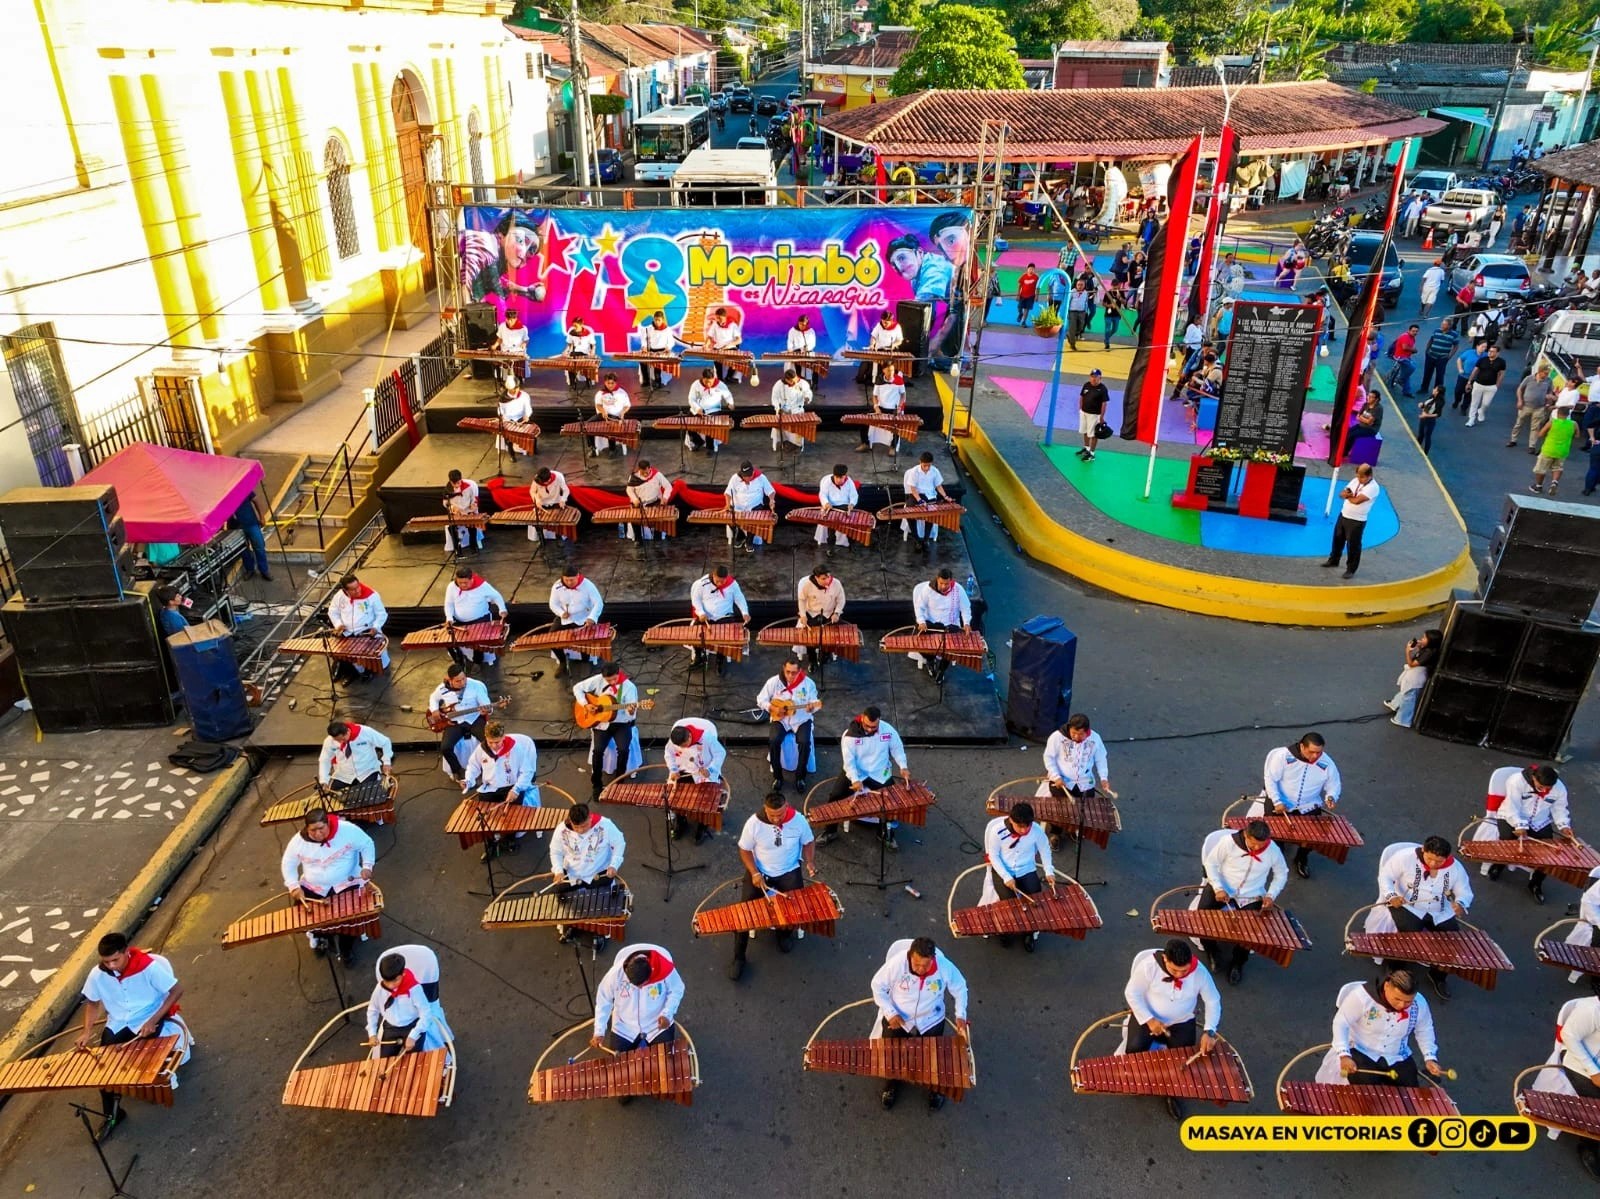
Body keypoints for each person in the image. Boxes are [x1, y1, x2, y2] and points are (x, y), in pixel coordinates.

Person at [76, 932, 188, 1141]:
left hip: (148, 1017)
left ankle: (148, 1086)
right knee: (103, 1067)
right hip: (118, 1022)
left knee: (143, 1061)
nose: (110, 966)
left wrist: (154, 1019)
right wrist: (86, 1032)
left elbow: (176, 990)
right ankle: (114, 1114)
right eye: (106, 961)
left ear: (126, 952)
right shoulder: (97, 974)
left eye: (115, 960)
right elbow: (92, 1003)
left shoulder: (149, 967)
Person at [869, 936, 969, 1111]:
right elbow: (877, 986)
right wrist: (890, 1012)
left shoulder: (944, 966)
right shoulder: (897, 964)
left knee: (933, 1056)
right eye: (917, 964)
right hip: (899, 1017)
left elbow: (960, 987)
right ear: (910, 956)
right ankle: (892, 1083)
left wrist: (960, 1014)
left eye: (926, 965)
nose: (921, 969)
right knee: (893, 1053)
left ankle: (935, 1089)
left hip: (931, 1018)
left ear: (933, 958)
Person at [1123, 940, 1221, 1120]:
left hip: (1181, 1021)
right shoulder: (1149, 966)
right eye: (1175, 970)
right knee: (1134, 1050)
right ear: (1165, 959)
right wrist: (1149, 1019)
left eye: (1184, 971)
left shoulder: (1199, 972)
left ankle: (1172, 1093)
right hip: (1148, 1018)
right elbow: (1132, 993)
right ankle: (1138, 1079)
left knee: (1182, 1061)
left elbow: (1213, 1000)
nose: (1180, 975)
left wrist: (1210, 1031)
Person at [729, 791, 819, 979]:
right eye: (772, 815)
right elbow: (744, 850)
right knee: (744, 914)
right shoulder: (754, 824)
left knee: (792, 908)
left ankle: (783, 934)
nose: (776, 819)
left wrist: (809, 861)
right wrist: (754, 872)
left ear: (786, 806)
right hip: (760, 873)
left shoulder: (799, 821)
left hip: (789, 871)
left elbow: (809, 842)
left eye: (780, 814)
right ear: (765, 809)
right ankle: (739, 957)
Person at [1378, 835, 1471, 999]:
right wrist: (1391, 895)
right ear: (1423, 850)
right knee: (1407, 936)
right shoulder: (1405, 857)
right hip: (1407, 905)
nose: (1433, 864)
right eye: (1430, 859)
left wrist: (1461, 903)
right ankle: (1395, 971)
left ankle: (1438, 975)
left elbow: (1464, 891)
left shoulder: (1456, 868)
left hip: (1439, 910)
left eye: (1439, 861)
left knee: (1453, 940)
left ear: (1447, 857)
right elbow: (1385, 876)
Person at [280, 807, 375, 963]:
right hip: (314, 887)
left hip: (347, 882)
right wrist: (293, 886)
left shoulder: (348, 830)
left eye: (321, 829)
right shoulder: (298, 842)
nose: (317, 834)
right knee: (305, 913)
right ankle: (321, 936)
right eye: (313, 830)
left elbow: (366, 844)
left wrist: (367, 866)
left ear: (328, 823)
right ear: (307, 828)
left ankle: (346, 948)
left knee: (350, 918)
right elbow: (288, 863)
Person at [1199, 819, 1288, 985]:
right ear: (1246, 835)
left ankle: (1238, 962)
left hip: (1252, 894)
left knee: (1251, 932)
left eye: (1261, 846)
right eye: (1253, 844)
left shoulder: (1273, 850)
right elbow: (1210, 863)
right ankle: (1211, 949)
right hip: (1223, 887)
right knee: (1202, 916)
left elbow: (1281, 874)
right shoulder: (1228, 843)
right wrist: (1218, 887)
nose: (1257, 849)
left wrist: (1271, 895)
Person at [591, 945, 685, 1089]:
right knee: (618, 1074)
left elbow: (677, 989)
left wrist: (667, 1013)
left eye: (643, 985)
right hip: (624, 1026)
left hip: (656, 1025)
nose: (640, 988)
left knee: (665, 1065)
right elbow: (604, 1000)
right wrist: (599, 1031)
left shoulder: (664, 969)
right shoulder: (615, 975)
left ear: (650, 973)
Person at [1331, 968, 1442, 1088]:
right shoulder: (1362, 997)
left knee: (1411, 1092)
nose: (1401, 1006)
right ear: (1386, 986)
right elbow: (1341, 1023)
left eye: (1408, 1002)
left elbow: (1425, 1030)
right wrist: (1344, 1055)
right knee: (1367, 1092)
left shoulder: (1419, 1003)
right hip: (1361, 1050)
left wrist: (1430, 1057)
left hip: (1396, 1055)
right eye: (1398, 999)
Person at [819, 707, 909, 850]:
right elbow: (849, 762)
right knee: (835, 797)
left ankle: (884, 833)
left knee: (892, 801)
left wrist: (903, 766)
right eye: (867, 725)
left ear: (879, 720)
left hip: (879, 773)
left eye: (874, 726)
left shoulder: (888, 730)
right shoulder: (849, 736)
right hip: (857, 772)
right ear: (862, 718)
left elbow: (897, 749)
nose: (870, 729)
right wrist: (855, 779)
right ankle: (830, 832)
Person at [1260, 732, 1342, 879]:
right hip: (1281, 803)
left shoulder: (1327, 763)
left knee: (1311, 837)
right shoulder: (1283, 757)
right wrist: (1277, 801)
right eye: (1312, 752)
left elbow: (1334, 784)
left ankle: (1301, 858)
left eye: (1319, 752)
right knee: (1275, 834)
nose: (1316, 757)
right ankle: (1276, 855)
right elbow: (1270, 779)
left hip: (1308, 805)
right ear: (1302, 747)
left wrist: (1331, 797)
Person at [1490, 764, 1573, 904]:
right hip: (1511, 817)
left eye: (1549, 789)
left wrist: (1564, 825)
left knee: (1548, 854)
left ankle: (1536, 883)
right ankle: (1499, 865)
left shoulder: (1560, 788)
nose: (1545, 791)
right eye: (1541, 787)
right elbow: (1512, 806)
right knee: (1508, 843)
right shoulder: (1516, 781)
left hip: (1539, 821)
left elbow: (1559, 809)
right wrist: (1519, 825)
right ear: (1534, 778)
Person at [980, 801, 1057, 950]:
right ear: (1011, 820)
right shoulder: (997, 831)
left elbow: (1045, 849)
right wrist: (1006, 876)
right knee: (1008, 904)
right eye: (1020, 826)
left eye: (1027, 826)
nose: (1024, 830)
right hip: (1004, 871)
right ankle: (1006, 932)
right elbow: (993, 856)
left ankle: (1029, 933)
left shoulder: (1036, 831)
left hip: (1026, 870)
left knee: (1035, 899)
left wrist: (1049, 871)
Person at [550, 804, 626, 950]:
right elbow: (555, 852)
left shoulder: (605, 825)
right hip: (573, 874)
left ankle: (599, 932)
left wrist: (614, 865)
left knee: (598, 905)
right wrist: (558, 871)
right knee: (567, 899)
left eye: (584, 826)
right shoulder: (561, 830)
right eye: (576, 827)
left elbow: (619, 843)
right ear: (570, 821)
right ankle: (574, 924)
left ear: (590, 817)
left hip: (598, 874)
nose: (581, 831)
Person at [366, 950, 453, 1061]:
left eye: (395, 981)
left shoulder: (414, 989)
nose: (390, 985)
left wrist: (413, 1035)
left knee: (413, 1061)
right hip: (391, 1028)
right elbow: (372, 1010)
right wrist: (372, 1033)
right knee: (384, 1061)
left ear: (403, 974)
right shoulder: (380, 988)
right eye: (387, 981)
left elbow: (426, 1013)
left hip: (412, 1025)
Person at [1042, 714, 1111, 851]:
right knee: (1059, 811)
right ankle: (1055, 833)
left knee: (1081, 811)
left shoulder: (1095, 739)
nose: (1076, 737)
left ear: (1087, 731)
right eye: (1073, 733)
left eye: (1080, 734)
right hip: (1062, 782)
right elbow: (1048, 758)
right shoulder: (1057, 737)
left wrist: (1104, 777)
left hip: (1085, 783)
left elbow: (1101, 759)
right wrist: (1056, 776)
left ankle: (1073, 830)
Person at [574, 662, 641, 800]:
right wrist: (586, 704)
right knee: (598, 751)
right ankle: (596, 784)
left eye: (614, 679)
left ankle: (618, 783)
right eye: (608, 680)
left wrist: (630, 710)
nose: (611, 682)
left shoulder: (629, 687)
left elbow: (632, 715)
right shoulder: (598, 679)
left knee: (623, 750)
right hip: (602, 723)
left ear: (619, 673)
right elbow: (577, 688)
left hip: (621, 723)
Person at [759, 659, 821, 793]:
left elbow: (814, 701)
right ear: (783, 668)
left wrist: (812, 708)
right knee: (774, 740)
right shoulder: (774, 682)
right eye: (788, 672)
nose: (790, 676)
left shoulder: (808, 684)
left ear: (799, 671)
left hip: (801, 719)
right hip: (781, 720)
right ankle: (778, 777)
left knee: (805, 742)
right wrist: (772, 708)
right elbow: (760, 699)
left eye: (794, 673)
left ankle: (800, 777)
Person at [664, 716, 725, 844]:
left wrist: (711, 769)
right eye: (680, 746)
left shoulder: (707, 738)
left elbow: (720, 753)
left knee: (705, 801)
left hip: (704, 773)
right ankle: (681, 821)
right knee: (676, 797)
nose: (683, 748)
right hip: (684, 771)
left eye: (684, 745)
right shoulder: (673, 741)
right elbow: (668, 753)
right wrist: (673, 769)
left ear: (689, 737)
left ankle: (702, 825)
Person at [429, 663, 493, 782]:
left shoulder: (476, 686)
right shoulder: (442, 688)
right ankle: (457, 770)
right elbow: (433, 698)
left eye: (464, 679)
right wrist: (434, 710)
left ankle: (487, 769)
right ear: (450, 680)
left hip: (474, 719)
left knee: (489, 743)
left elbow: (486, 704)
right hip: (454, 722)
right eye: (458, 681)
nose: (463, 683)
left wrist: (487, 710)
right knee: (445, 747)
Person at [909, 568, 972, 684]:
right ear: (937, 580)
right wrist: (922, 621)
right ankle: (930, 660)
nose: (943, 586)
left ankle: (942, 670)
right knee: (919, 642)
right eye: (941, 583)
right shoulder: (928, 589)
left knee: (951, 649)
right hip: (931, 624)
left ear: (951, 581)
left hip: (950, 624)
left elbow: (965, 608)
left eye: (946, 584)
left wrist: (967, 623)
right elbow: (919, 607)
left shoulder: (958, 589)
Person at [1323, 463, 1379, 580]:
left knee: (1353, 545)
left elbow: (1357, 501)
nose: (1359, 479)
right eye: (1358, 476)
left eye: (1362, 477)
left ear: (1369, 476)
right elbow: (1341, 493)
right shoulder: (1355, 481)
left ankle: (1351, 569)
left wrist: (1347, 496)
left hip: (1357, 520)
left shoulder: (1373, 487)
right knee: (1338, 538)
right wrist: (1347, 495)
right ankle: (1334, 559)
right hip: (1344, 514)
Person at [689, 564, 750, 673]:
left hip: (725, 616)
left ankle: (720, 659)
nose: (720, 584)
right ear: (713, 575)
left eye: (723, 581)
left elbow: (740, 598)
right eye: (718, 581)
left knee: (725, 636)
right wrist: (701, 613)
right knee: (695, 633)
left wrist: (745, 612)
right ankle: (699, 656)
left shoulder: (733, 584)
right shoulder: (701, 584)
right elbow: (696, 600)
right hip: (707, 617)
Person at [443, 565, 506, 667]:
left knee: (478, 643)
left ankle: (477, 661)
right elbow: (449, 603)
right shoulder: (451, 587)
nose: (462, 585)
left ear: (471, 579)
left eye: (465, 583)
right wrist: (449, 617)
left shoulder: (483, 586)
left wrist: (502, 609)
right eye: (460, 583)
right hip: (459, 622)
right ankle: (459, 660)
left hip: (479, 620)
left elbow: (496, 596)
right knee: (449, 641)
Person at [548, 568, 603, 676]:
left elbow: (598, 603)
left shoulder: (588, 585)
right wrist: (561, 613)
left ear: (578, 576)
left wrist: (591, 618)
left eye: (572, 580)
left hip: (584, 617)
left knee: (584, 639)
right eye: (566, 580)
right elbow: (553, 604)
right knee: (551, 638)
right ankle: (562, 662)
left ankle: (585, 662)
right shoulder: (557, 586)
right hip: (565, 618)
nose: (569, 583)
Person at [318, 720, 394, 793]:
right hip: (344, 775)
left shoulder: (365, 732)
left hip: (367, 772)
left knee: (368, 795)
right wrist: (324, 780)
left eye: (342, 739)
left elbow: (385, 742)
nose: (340, 742)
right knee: (333, 796)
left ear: (347, 731)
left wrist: (387, 762)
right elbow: (325, 760)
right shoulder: (329, 741)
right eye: (337, 740)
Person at [1386, 629, 1440, 727]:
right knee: (1405, 691)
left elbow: (1412, 664)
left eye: (1424, 638)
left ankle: (1403, 720)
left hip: (1416, 677)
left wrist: (1407, 651)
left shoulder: (1428, 653)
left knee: (1409, 697)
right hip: (1414, 676)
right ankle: (1395, 704)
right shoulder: (1428, 650)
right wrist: (1420, 647)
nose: (1421, 639)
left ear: (1430, 641)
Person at [795, 564, 846, 665]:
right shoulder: (807, 585)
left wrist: (836, 613)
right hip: (812, 613)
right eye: (823, 579)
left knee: (830, 637)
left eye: (828, 577)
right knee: (809, 639)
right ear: (816, 578)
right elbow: (801, 600)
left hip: (829, 614)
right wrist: (803, 615)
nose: (827, 581)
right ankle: (812, 660)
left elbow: (841, 600)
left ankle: (825, 655)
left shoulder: (836, 583)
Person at [902, 452, 952, 551]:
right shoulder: (914, 472)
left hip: (930, 496)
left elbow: (939, 486)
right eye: (925, 465)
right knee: (909, 513)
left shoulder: (935, 471)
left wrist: (945, 496)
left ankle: (926, 539)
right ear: (920, 462)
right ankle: (916, 538)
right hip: (917, 495)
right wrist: (919, 500)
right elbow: (912, 488)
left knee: (931, 514)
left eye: (929, 465)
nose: (927, 468)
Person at [723, 461, 776, 552]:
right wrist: (728, 505)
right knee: (729, 517)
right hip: (738, 507)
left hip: (754, 507)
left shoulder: (761, 478)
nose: (747, 478)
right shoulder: (734, 478)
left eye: (749, 476)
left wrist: (771, 499)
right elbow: (728, 493)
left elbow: (771, 491)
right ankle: (740, 535)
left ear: (753, 472)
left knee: (754, 517)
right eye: (745, 476)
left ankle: (749, 540)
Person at [1532, 400, 1578, 495]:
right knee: (1558, 468)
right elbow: (1577, 436)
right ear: (1567, 414)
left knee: (1541, 469)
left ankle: (1538, 486)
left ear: (1557, 413)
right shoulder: (1573, 424)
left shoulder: (1552, 422)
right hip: (1563, 451)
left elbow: (1540, 434)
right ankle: (1554, 483)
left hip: (1548, 449)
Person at [624, 459, 674, 543]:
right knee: (634, 519)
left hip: (654, 502)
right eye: (643, 472)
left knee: (659, 518)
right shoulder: (633, 477)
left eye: (647, 471)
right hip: (639, 504)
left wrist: (665, 498)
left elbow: (668, 486)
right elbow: (629, 490)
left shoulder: (657, 475)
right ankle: (638, 539)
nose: (646, 474)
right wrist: (635, 500)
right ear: (639, 469)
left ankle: (657, 538)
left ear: (649, 468)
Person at [686, 367, 735, 451]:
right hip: (698, 409)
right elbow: (691, 399)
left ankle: (710, 448)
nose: (708, 384)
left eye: (710, 382)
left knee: (710, 425)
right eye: (706, 382)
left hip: (713, 410)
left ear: (714, 379)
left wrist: (730, 403)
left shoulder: (720, 385)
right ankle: (698, 441)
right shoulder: (695, 384)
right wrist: (697, 408)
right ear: (703, 378)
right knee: (688, 423)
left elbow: (728, 395)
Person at [229, 493, 273, 582]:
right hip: (236, 527)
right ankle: (250, 569)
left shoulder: (243, 488)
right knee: (243, 550)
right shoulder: (224, 494)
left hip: (251, 524)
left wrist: (262, 517)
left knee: (259, 546)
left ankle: (264, 570)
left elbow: (256, 501)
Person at [815, 466, 859, 552]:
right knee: (831, 530)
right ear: (834, 475)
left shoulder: (849, 482)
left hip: (845, 506)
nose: (839, 480)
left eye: (841, 477)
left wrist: (852, 504)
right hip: (832, 507)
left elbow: (854, 495)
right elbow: (822, 494)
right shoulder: (827, 482)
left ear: (845, 476)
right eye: (837, 477)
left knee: (850, 528)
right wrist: (826, 503)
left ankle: (852, 545)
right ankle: (830, 548)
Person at [769, 367, 813, 451]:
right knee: (781, 426)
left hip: (797, 411)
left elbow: (808, 393)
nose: (793, 382)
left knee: (797, 429)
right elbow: (774, 398)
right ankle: (784, 441)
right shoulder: (778, 384)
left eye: (794, 380)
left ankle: (796, 444)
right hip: (783, 411)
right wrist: (778, 408)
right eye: (791, 381)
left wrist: (807, 398)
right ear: (786, 379)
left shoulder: (802, 383)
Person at [1465, 343, 1508, 427]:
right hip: (1478, 384)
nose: (1490, 353)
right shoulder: (1482, 360)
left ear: (1497, 353)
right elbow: (1475, 370)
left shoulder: (1501, 362)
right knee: (1474, 402)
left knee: (1486, 403)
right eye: (1489, 351)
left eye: (1492, 351)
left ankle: (1481, 410)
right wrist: (1469, 382)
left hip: (1491, 386)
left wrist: (1497, 385)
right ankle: (1471, 419)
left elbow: (1502, 374)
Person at [443, 469, 483, 556]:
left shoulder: (469, 487)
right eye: (455, 483)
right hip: (455, 514)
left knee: (472, 526)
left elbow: (474, 500)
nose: (458, 485)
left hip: (467, 511)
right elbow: (445, 503)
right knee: (451, 528)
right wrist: (452, 508)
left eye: (459, 482)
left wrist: (473, 507)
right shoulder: (447, 490)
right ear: (450, 482)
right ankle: (457, 548)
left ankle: (473, 546)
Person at [591, 373, 632, 455]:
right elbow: (598, 405)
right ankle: (593, 448)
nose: (610, 385)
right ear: (605, 383)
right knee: (587, 426)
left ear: (616, 382)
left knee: (611, 427)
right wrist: (603, 411)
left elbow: (627, 405)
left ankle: (612, 449)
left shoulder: (622, 392)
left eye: (612, 383)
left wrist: (623, 412)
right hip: (603, 415)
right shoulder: (600, 393)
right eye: (608, 383)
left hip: (616, 417)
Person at [527, 467, 571, 542]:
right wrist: (537, 500)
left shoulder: (559, 476)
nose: (545, 485)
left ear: (550, 478)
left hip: (556, 501)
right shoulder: (537, 479)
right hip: (542, 503)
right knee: (535, 518)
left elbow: (566, 490)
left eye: (546, 483)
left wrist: (563, 500)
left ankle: (559, 536)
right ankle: (539, 537)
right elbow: (532, 491)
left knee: (561, 518)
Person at [1417, 318, 1458, 396]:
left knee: (1440, 375)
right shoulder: (1436, 331)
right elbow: (1431, 340)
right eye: (1442, 324)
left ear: (1449, 326)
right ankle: (1424, 388)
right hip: (1431, 356)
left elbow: (1456, 346)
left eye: (1444, 325)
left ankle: (1437, 392)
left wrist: (1450, 356)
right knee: (1427, 373)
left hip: (1442, 358)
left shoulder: (1454, 335)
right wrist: (1427, 350)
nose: (1442, 326)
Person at [637, 311, 676, 391]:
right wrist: (644, 346)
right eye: (655, 320)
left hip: (662, 351)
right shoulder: (649, 328)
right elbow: (644, 339)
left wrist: (668, 347)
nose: (657, 322)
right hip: (651, 350)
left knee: (657, 364)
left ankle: (658, 382)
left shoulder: (667, 329)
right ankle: (646, 380)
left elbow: (671, 341)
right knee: (642, 361)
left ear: (662, 320)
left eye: (659, 320)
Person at [495, 381, 533, 461]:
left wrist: (526, 415)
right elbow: (500, 411)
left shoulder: (525, 396)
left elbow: (528, 409)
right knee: (507, 437)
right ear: (508, 389)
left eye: (517, 387)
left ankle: (531, 449)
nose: (516, 390)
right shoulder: (503, 398)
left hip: (521, 419)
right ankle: (511, 454)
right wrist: (505, 419)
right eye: (514, 388)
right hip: (508, 420)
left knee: (532, 431)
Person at [705, 307, 745, 384]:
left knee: (735, 361)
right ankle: (720, 379)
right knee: (717, 362)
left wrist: (729, 345)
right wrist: (706, 344)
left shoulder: (732, 325)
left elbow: (739, 340)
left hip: (730, 348)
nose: (718, 320)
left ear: (725, 317)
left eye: (720, 318)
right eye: (716, 318)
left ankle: (729, 377)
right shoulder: (715, 325)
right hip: (718, 348)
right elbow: (709, 336)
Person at [1077, 368, 1109, 461]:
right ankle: (1086, 448)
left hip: (1094, 415)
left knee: (1094, 434)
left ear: (1100, 378)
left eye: (1096, 377)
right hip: (1084, 412)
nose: (1093, 379)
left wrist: (1102, 417)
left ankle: (1092, 453)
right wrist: (1081, 409)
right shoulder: (1086, 385)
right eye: (1092, 376)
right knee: (1085, 431)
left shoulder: (1102, 389)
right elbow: (1082, 396)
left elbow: (1104, 403)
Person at [1452, 338, 1486, 412]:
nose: (1484, 349)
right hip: (1464, 376)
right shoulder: (1469, 352)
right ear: (1477, 346)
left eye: (1485, 347)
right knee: (1458, 391)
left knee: (1469, 394)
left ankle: (1464, 408)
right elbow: (1459, 359)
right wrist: (1460, 369)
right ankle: (1457, 401)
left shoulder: (1485, 356)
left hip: (1476, 378)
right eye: (1482, 346)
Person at [1386, 323, 1420, 397]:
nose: (1415, 333)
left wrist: (1411, 351)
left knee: (1407, 373)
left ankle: (1406, 391)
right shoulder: (1405, 336)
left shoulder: (1412, 338)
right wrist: (1414, 350)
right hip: (1400, 357)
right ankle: (1400, 379)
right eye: (1413, 331)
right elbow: (1405, 347)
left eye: (1416, 331)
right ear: (1409, 330)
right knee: (1412, 368)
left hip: (1406, 357)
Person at [564, 316, 597, 390]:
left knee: (587, 366)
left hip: (585, 353)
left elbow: (593, 345)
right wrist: (566, 351)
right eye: (573, 325)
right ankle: (573, 384)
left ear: (581, 324)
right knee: (570, 365)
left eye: (576, 325)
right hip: (575, 352)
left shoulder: (588, 332)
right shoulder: (572, 332)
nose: (574, 327)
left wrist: (592, 352)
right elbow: (569, 344)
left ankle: (588, 381)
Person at [786, 314, 818, 388]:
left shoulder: (811, 331)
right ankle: (799, 381)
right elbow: (789, 342)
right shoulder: (792, 330)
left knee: (816, 364)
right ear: (798, 322)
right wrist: (790, 350)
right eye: (800, 324)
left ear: (807, 324)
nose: (802, 326)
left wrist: (807, 348)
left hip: (808, 351)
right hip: (796, 352)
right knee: (797, 363)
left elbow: (813, 343)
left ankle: (815, 383)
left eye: (804, 325)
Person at [1416, 385, 1444, 456]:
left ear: (1438, 392)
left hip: (1429, 421)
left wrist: (1426, 415)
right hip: (1423, 418)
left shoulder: (1440, 402)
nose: (1433, 389)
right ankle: (1416, 448)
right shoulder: (1432, 397)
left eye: (1435, 389)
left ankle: (1425, 453)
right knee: (1420, 434)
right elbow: (1427, 406)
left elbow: (1438, 414)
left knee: (1427, 436)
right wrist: (1422, 405)